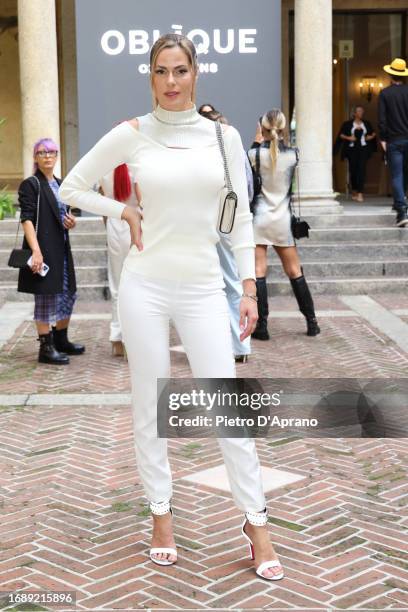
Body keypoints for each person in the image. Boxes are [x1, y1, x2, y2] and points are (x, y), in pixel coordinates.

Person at [60, 34, 284, 580]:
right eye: (161, 71)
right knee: (150, 405)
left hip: (206, 287)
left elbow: (239, 218)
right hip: (145, 286)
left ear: (196, 73)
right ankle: (160, 515)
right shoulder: (132, 133)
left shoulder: (224, 137)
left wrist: (249, 291)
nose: (171, 81)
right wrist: (123, 210)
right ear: (151, 75)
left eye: (180, 70)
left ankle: (255, 523)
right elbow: (70, 188)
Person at [248, 110, 320, 339]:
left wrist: (256, 140)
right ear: (283, 128)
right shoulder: (294, 155)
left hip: (259, 219)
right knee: (294, 271)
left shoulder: (253, 155)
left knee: (258, 271)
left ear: (263, 128)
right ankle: (312, 322)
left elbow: (250, 175)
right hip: (282, 220)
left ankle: (262, 327)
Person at [17, 138, 85, 364]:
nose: (48, 156)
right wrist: (36, 251)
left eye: (52, 152)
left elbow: (63, 213)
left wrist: (70, 221)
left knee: (68, 292)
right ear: (36, 157)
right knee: (45, 296)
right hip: (43, 249)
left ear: (57, 156)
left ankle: (61, 339)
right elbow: (26, 219)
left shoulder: (60, 183)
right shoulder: (31, 184)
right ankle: (45, 347)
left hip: (61, 248)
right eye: (42, 152)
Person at [198, 106, 251, 363]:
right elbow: (248, 188)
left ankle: (229, 345)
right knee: (232, 282)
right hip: (228, 219)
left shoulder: (200, 149)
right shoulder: (234, 146)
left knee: (209, 284)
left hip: (209, 221)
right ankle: (239, 346)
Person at [99, 163, 141, 356]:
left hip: (114, 224)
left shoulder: (105, 172)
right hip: (136, 226)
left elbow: (101, 205)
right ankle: (132, 338)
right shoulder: (137, 169)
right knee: (136, 284)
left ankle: (117, 337)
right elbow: (143, 203)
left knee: (116, 284)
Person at [378, 57, 408, 227]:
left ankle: (401, 211)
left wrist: (383, 139)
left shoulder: (385, 93)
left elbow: (382, 121)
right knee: (404, 174)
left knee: (397, 175)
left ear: (390, 75)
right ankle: (401, 203)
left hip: (394, 141)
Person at [335, 105, 376, 202]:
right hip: (352, 149)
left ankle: (360, 193)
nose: (361, 113)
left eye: (362, 111)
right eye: (359, 111)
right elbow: (341, 135)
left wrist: (370, 137)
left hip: (363, 148)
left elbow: (374, 133)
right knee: (353, 170)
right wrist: (349, 138)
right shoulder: (347, 124)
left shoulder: (366, 123)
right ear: (354, 113)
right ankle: (354, 190)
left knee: (361, 169)